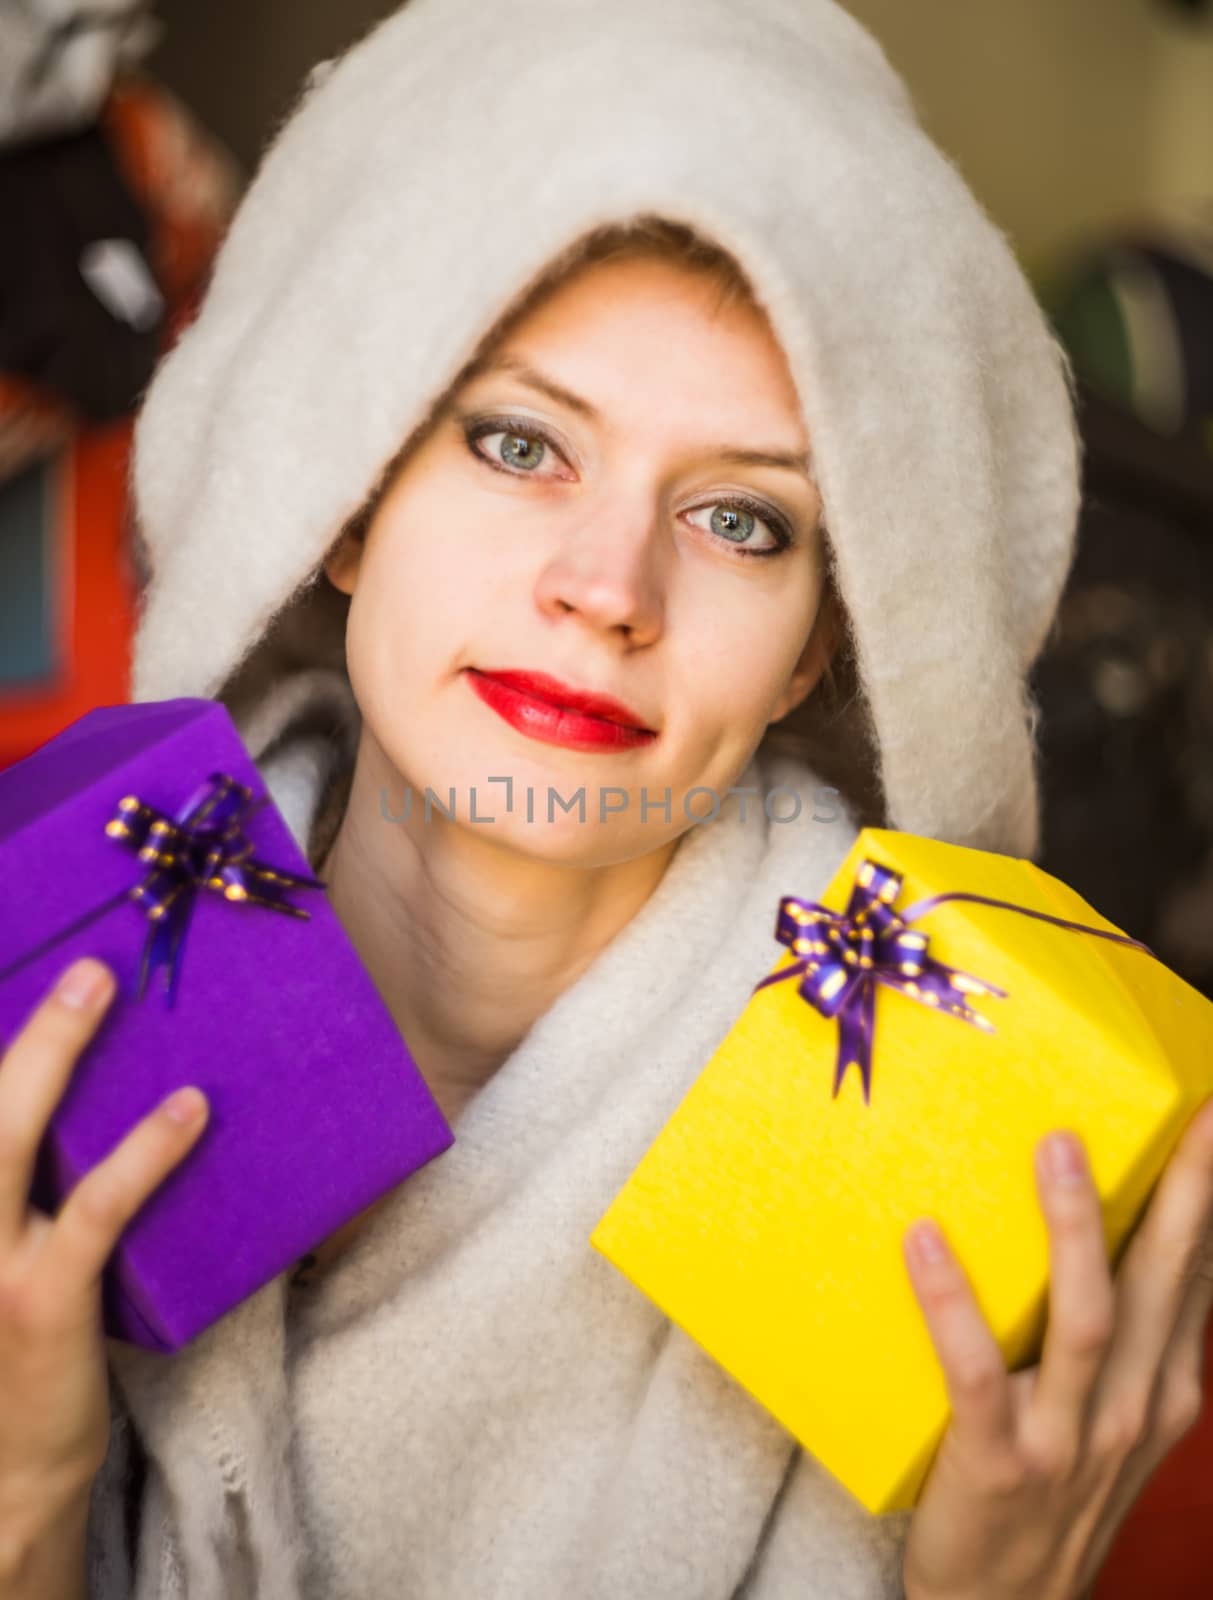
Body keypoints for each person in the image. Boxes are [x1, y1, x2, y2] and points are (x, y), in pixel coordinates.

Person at [2, 1, 1212, 1597]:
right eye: (519, 443)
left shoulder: (943, 1165)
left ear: (807, 658)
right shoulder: (49, 973)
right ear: (347, 499)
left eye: (739, 520)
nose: (607, 587)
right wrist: (27, 1506)